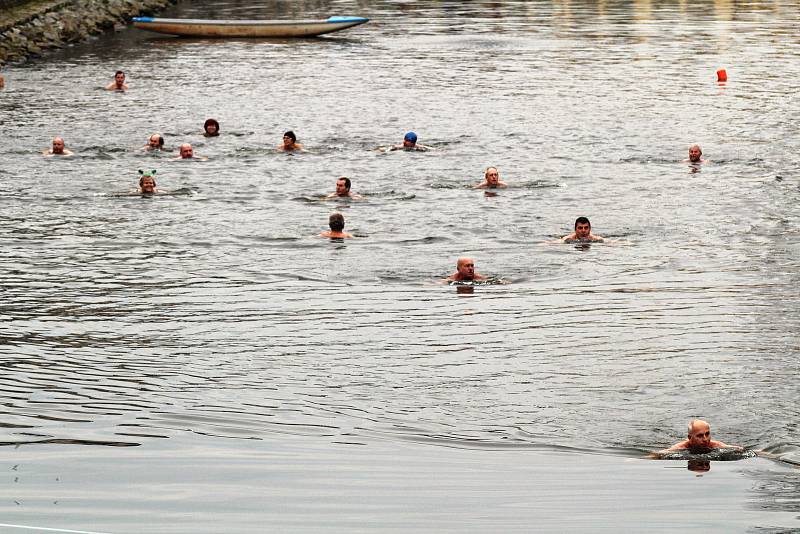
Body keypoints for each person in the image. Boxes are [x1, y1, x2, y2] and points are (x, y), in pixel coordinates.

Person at [660, 419, 740, 452]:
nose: (705, 439)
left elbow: (738, 449)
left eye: (707, 434)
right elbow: (662, 453)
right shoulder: (681, 447)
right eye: (700, 436)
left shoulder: (715, 445)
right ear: (690, 438)